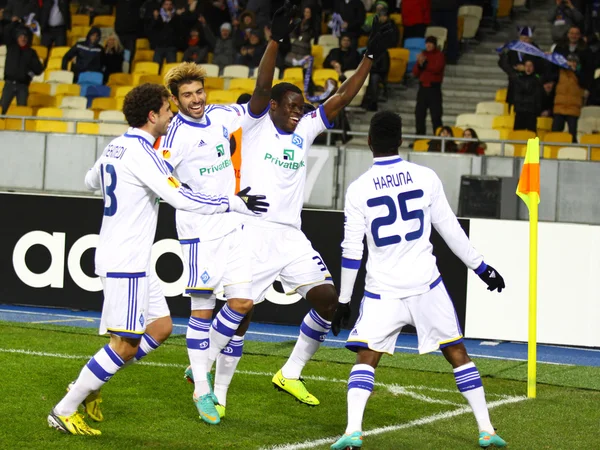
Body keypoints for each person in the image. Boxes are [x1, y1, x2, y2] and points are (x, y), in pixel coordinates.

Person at [186, 9, 396, 412]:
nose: (299, 110)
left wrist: (369, 56)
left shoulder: (304, 129)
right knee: (240, 317)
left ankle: (290, 372)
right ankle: (212, 381)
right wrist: (276, 43)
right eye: (292, 104)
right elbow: (262, 85)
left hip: (290, 236)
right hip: (250, 231)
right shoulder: (255, 124)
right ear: (274, 107)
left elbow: (342, 98)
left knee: (329, 301)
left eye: (302, 105)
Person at [46, 83, 268, 436]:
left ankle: (88, 385)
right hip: (126, 259)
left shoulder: (117, 145)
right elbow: (181, 199)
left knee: (161, 328)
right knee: (125, 344)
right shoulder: (143, 154)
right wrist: (232, 202)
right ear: (152, 115)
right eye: (167, 110)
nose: (171, 116)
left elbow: (91, 181)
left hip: (130, 257)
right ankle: (67, 406)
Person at [330, 110, 507, 450]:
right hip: (426, 284)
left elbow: (351, 249)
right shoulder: (425, 177)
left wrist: (344, 299)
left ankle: (353, 430)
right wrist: (481, 267)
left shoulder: (358, 190)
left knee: (367, 356)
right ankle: (486, 429)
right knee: (456, 352)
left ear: (368, 142)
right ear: (401, 141)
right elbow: (450, 230)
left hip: (383, 291)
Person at [157, 62, 269, 425]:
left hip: (231, 223)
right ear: (175, 100)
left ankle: (199, 364)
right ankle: (201, 388)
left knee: (243, 302)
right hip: (198, 231)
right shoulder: (173, 136)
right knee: (202, 310)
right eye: (187, 95)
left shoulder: (220, 116)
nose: (196, 99)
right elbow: (164, 184)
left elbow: (257, 105)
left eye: (199, 91)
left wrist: (274, 47)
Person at [0, 23, 43, 114]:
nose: (23, 38)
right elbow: (7, 32)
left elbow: (39, 69)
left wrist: (29, 73)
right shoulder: (11, 47)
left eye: (25, 37)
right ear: (17, 38)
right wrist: (16, 23)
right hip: (9, 84)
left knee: (22, 112)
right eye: (21, 36)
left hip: (23, 86)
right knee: (2, 109)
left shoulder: (31, 52)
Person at [499, 55, 542, 132]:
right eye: (526, 66)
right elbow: (505, 67)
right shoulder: (518, 77)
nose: (528, 68)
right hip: (519, 111)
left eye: (530, 66)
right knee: (517, 135)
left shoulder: (537, 79)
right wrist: (503, 56)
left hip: (531, 112)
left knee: (531, 137)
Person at [413, 35, 445, 137]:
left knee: (436, 116)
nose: (428, 45)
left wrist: (424, 63)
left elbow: (437, 68)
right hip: (422, 88)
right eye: (427, 43)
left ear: (434, 44)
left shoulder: (439, 55)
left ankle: (439, 139)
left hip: (434, 89)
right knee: (419, 115)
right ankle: (419, 138)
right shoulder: (423, 54)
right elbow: (415, 72)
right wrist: (419, 64)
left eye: (430, 43)